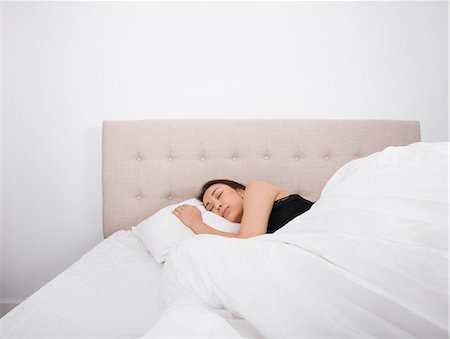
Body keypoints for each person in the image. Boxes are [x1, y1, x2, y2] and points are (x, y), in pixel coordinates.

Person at [172, 179, 314, 239]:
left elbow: (248, 239)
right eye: (211, 208)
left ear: (240, 191)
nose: (218, 205)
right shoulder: (242, 228)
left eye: (219, 195)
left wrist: (196, 224)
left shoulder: (255, 187)